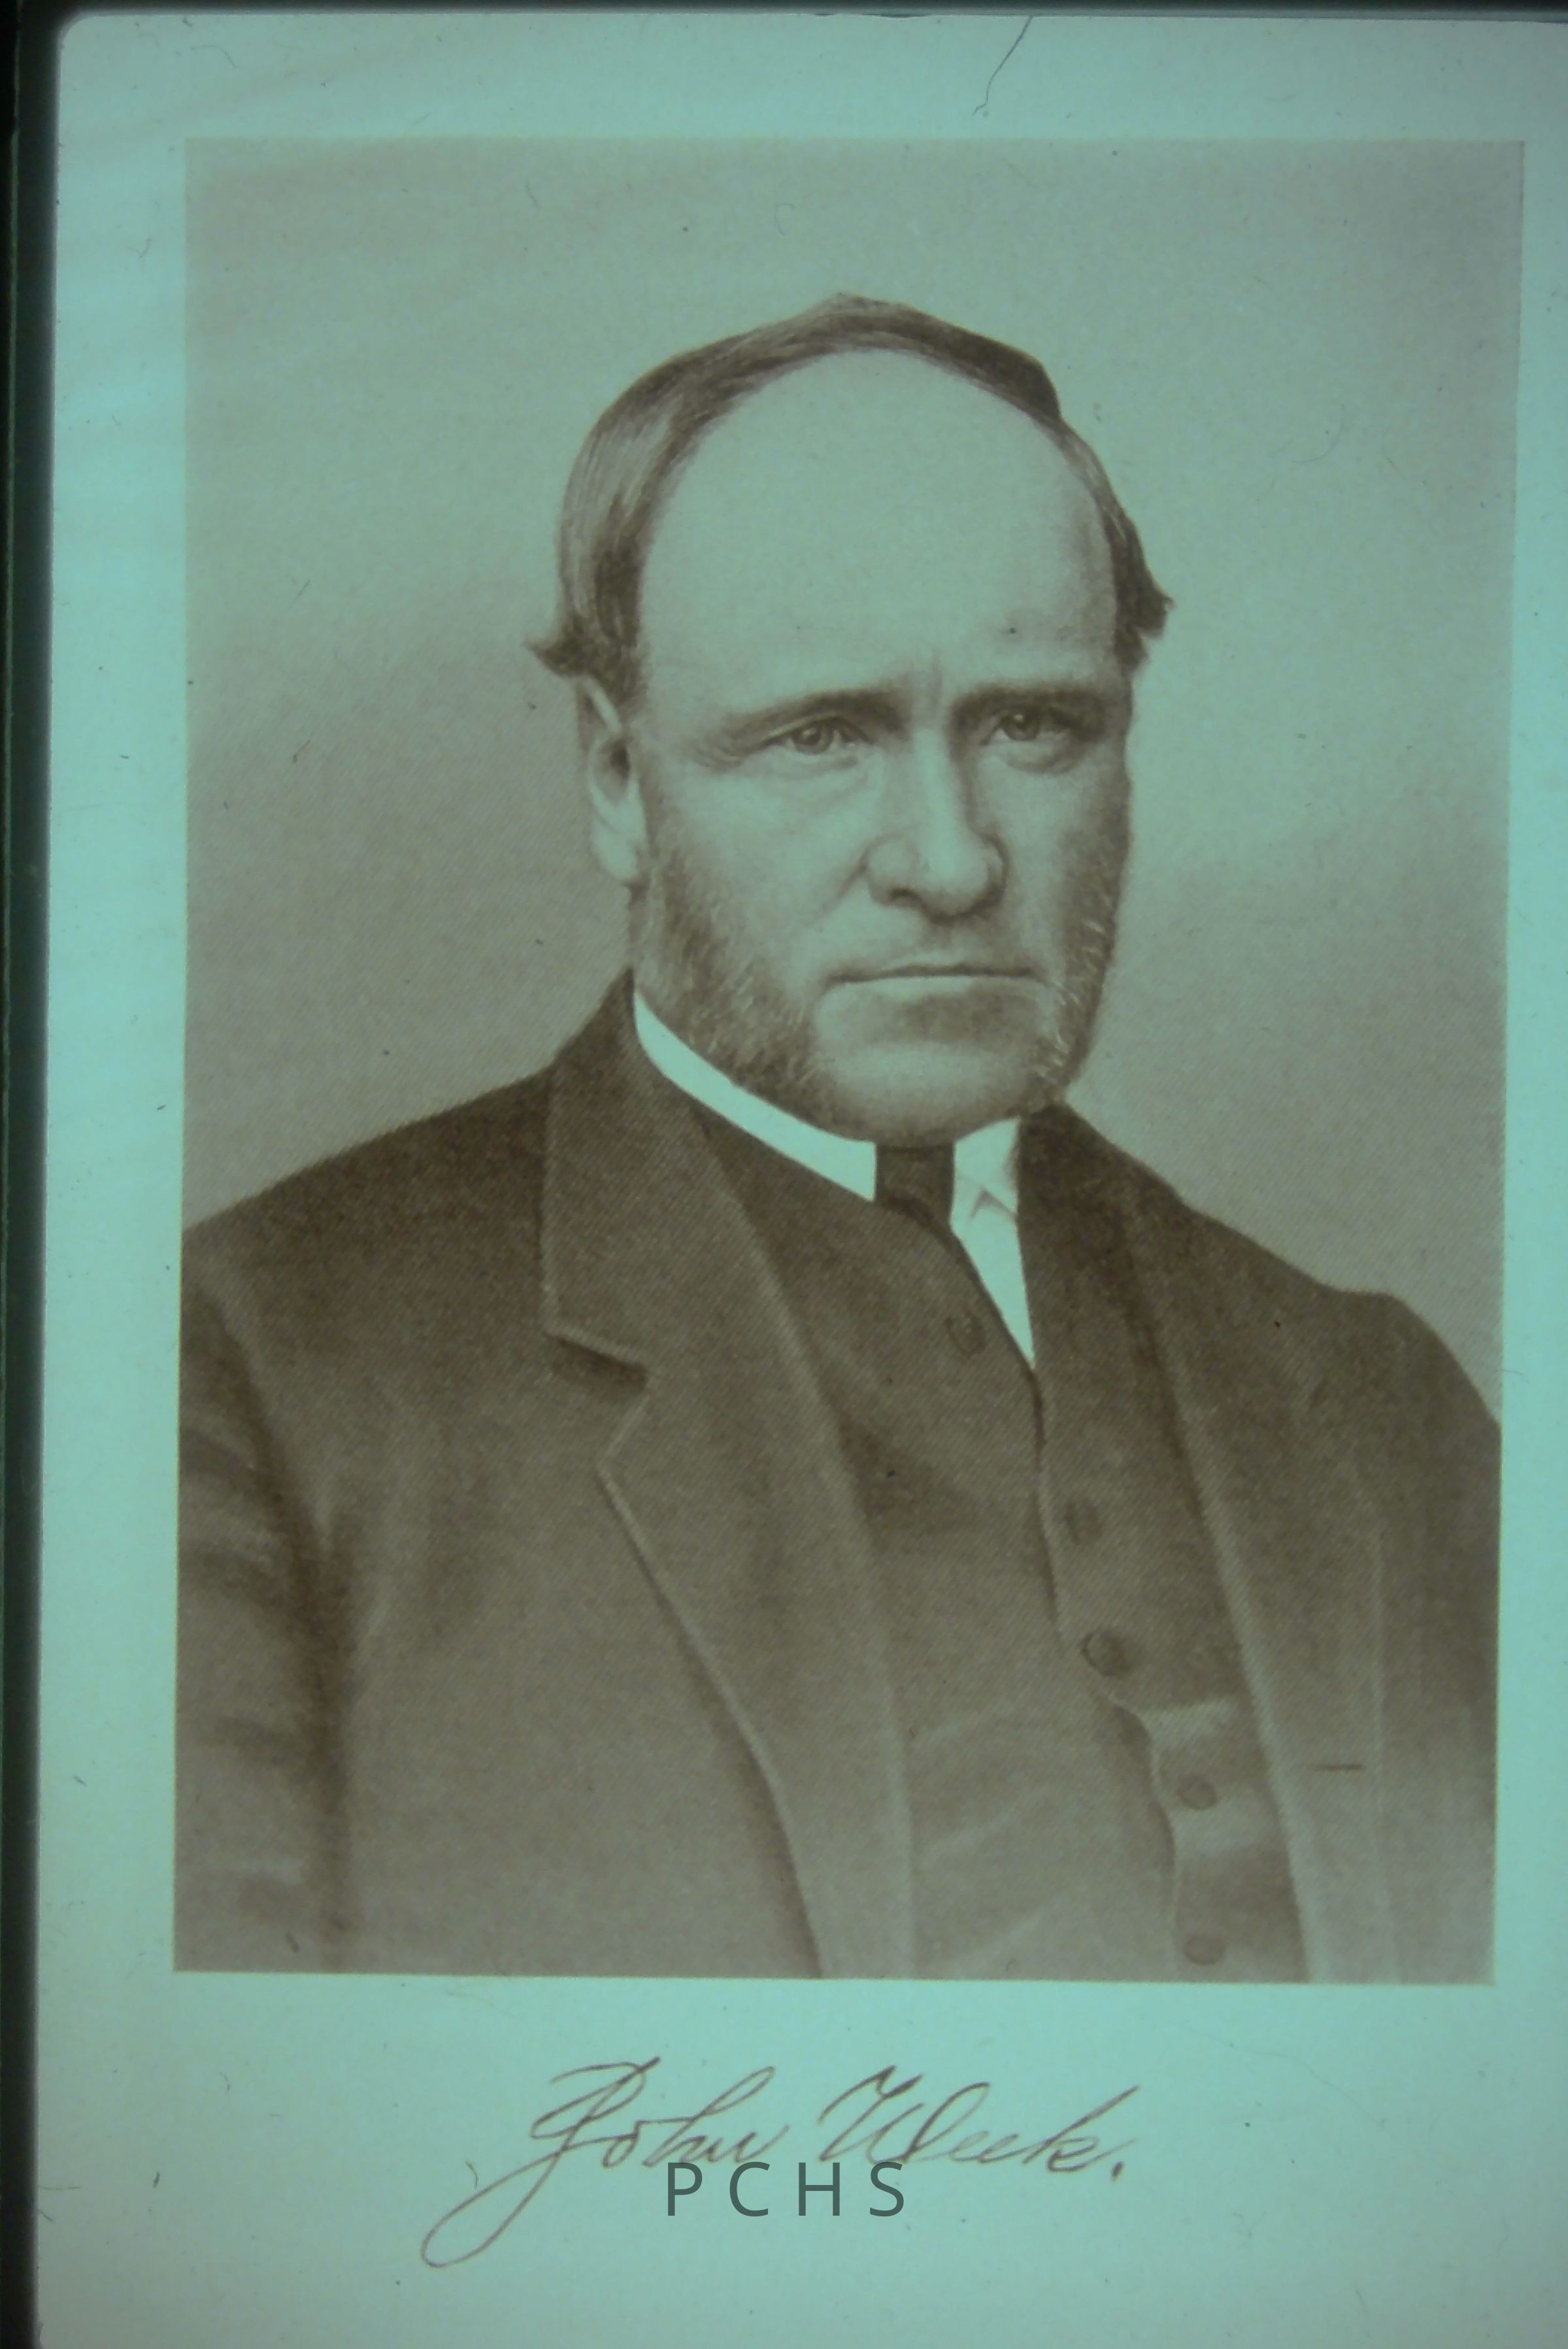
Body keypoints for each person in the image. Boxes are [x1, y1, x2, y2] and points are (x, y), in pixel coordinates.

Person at [176, 295, 1497, 1983]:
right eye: (823, 736)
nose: (949, 861)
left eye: (1033, 726)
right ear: (617, 781)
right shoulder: (257, 1373)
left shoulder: (1384, 1405)